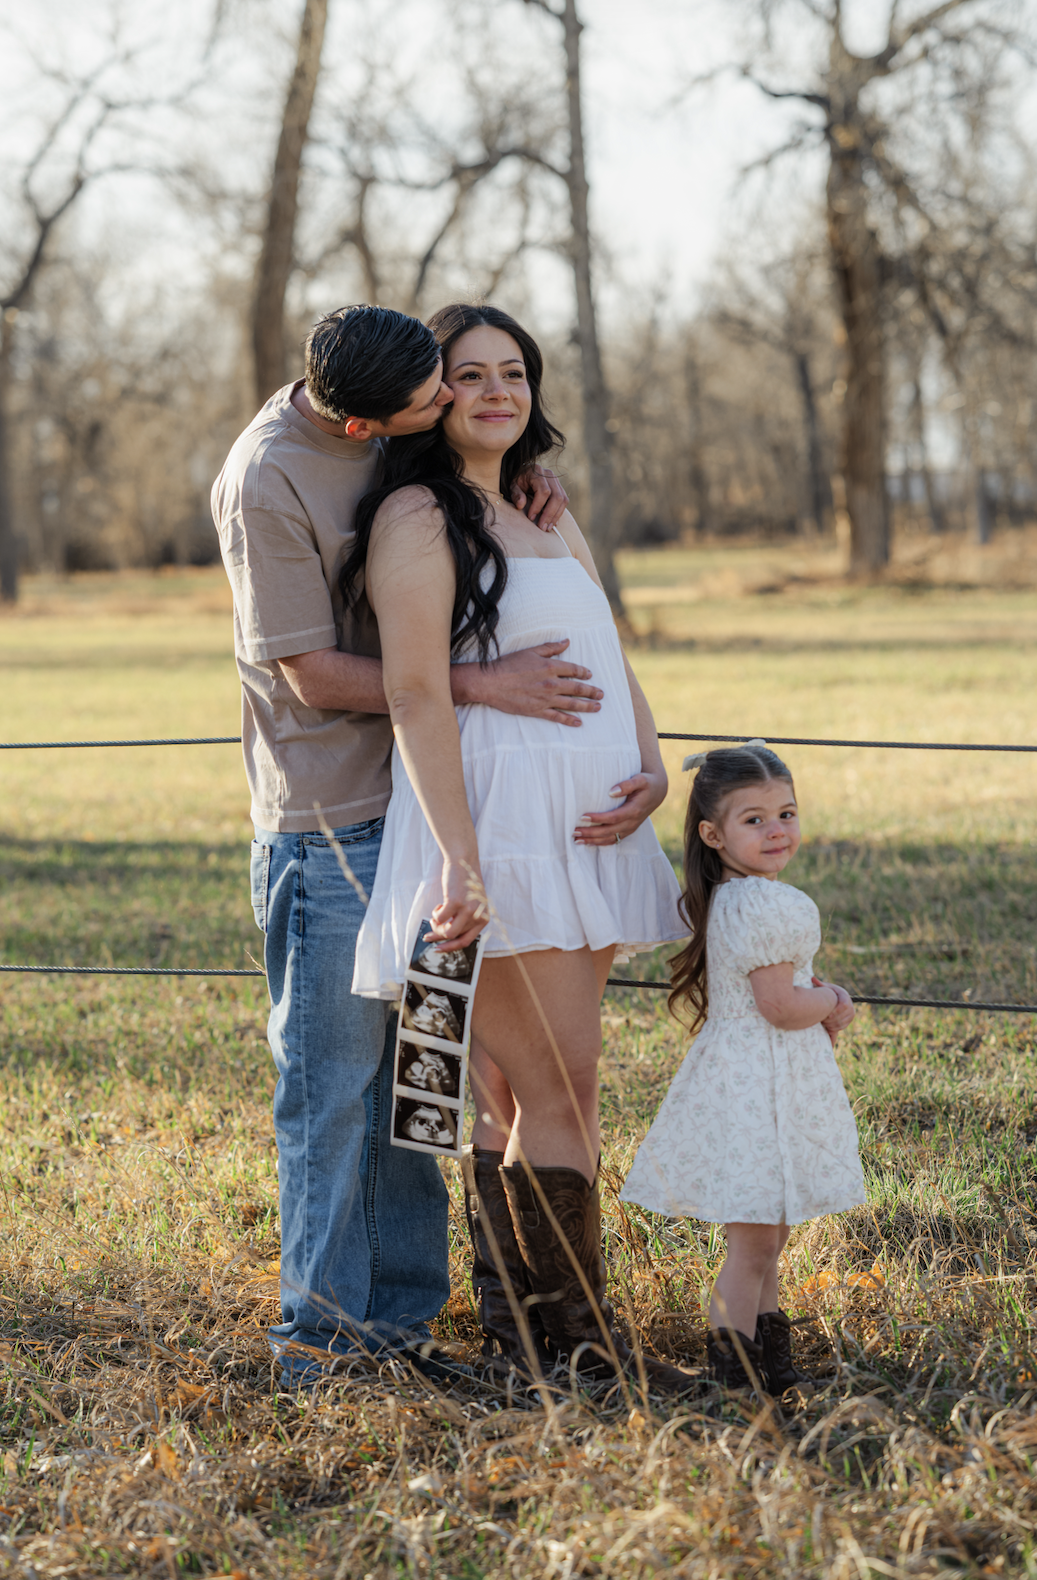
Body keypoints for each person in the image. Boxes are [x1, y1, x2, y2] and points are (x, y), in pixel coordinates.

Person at [211, 303, 606, 1384]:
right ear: (358, 427)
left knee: (419, 1085)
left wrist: (520, 485)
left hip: (428, 813)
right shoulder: (267, 481)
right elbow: (309, 672)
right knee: (333, 1091)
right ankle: (322, 1342)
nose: (446, 402)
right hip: (330, 822)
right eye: (432, 396)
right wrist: (485, 685)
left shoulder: (386, 406)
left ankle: (403, 1327)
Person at [348, 302, 696, 1393]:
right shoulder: (417, 513)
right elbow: (412, 688)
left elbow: (609, 650)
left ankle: (536, 1351)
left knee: (539, 1092)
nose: (496, 391)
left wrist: (651, 762)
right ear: (431, 394)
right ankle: (579, 1352)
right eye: (470, 374)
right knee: (558, 1086)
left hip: (587, 820)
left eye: (515, 372)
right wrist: (459, 858)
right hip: (497, 827)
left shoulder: (549, 510)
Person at [620, 743, 865, 1394]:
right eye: (753, 819)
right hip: (760, 1087)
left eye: (785, 812)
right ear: (712, 833)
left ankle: (771, 1366)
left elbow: (782, 987)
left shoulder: (737, 896)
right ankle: (733, 1379)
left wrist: (813, 995)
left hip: (752, 1081)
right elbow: (781, 1005)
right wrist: (834, 1001)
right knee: (755, 1244)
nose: (777, 829)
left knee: (767, 1238)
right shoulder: (766, 904)